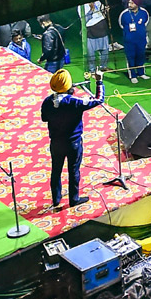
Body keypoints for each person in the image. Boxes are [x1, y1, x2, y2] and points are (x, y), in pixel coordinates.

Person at [40, 68, 104, 208]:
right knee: (73, 170)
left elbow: (44, 118)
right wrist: (99, 82)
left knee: (56, 170)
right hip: (73, 143)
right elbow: (99, 99)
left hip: (56, 142)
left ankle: (56, 199)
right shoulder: (74, 102)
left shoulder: (47, 102)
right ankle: (73, 199)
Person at [118, 0, 149, 83]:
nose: (129, 5)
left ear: (137, 4)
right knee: (130, 57)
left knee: (141, 56)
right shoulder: (124, 14)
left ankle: (141, 73)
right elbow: (121, 24)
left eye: (132, 3)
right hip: (129, 41)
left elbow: (146, 22)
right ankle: (132, 75)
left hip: (141, 40)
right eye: (129, 3)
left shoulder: (144, 12)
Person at [79, 1, 111, 75]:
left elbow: (102, 13)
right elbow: (84, 19)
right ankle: (92, 70)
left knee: (105, 49)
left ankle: (103, 66)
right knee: (91, 53)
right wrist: (91, 9)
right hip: (91, 31)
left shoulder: (97, 1)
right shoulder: (82, 6)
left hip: (102, 28)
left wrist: (105, 10)